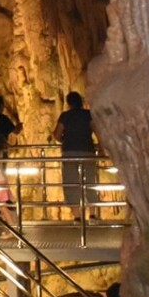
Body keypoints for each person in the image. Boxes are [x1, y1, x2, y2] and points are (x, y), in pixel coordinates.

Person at [53, 91, 100, 219]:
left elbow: (57, 134)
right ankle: (93, 214)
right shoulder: (88, 115)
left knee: (70, 182)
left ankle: (77, 216)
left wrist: (66, 140)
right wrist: (101, 148)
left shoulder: (65, 116)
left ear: (69, 103)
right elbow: (98, 131)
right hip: (87, 151)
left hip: (70, 151)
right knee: (90, 180)